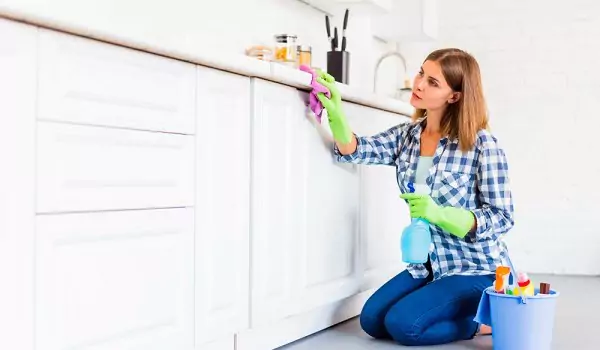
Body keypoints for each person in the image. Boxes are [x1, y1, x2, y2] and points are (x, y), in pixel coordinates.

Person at [315, 48, 514, 346]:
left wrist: (440, 214)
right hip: (429, 265)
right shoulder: (408, 136)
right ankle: (450, 306)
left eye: (433, 82)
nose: (419, 84)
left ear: (455, 96)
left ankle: (484, 323)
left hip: (476, 268)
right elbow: (356, 149)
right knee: (371, 320)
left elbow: (502, 217)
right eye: (422, 73)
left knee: (404, 325)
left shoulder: (481, 144)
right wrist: (335, 110)